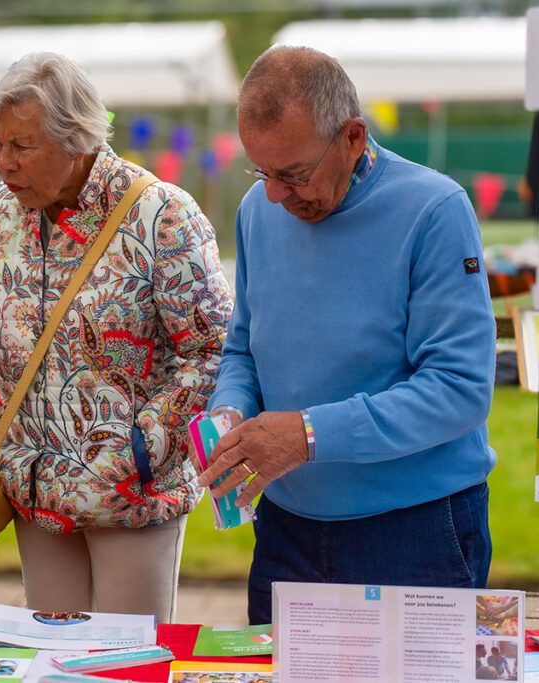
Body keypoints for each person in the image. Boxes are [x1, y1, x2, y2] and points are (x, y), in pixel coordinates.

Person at [198, 46, 496, 624]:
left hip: (414, 531)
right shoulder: (258, 211)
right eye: (262, 173)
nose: (278, 195)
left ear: (354, 137)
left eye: (294, 174)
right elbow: (244, 346)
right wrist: (231, 411)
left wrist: (308, 435)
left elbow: (459, 389)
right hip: (286, 530)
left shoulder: (434, 210)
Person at [0, 52, 233, 622]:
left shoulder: (162, 216)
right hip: (30, 487)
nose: (3, 163)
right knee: (50, 661)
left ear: (77, 139)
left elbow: (211, 350)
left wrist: (141, 451)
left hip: (128, 495)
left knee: (126, 663)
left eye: (22, 146)